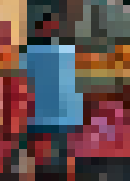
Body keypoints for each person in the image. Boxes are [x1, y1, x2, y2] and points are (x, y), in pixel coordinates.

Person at [12, 10, 83, 179]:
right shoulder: (33, 53)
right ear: (40, 28)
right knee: (40, 156)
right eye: (49, 26)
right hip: (43, 113)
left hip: (59, 112)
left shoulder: (66, 51)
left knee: (64, 155)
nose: (52, 29)